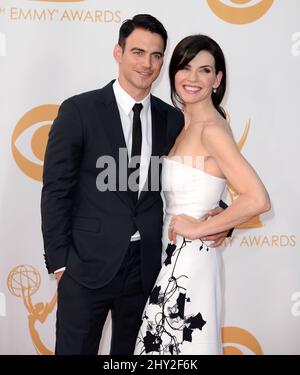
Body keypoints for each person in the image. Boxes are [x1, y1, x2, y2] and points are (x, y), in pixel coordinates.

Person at [41, 16, 229, 355]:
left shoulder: (173, 118)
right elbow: (56, 190)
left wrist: (222, 220)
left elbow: (201, 175)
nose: (147, 64)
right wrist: (60, 264)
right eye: (138, 52)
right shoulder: (79, 111)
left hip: (146, 270)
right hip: (85, 269)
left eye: (156, 56)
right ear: (118, 52)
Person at [134, 34, 271, 355]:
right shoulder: (180, 124)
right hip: (171, 257)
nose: (193, 78)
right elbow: (209, 185)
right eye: (185, 68)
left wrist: (198, 228)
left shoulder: (212, 129)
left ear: (218, 79)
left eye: (205, 70)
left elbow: (257, 198)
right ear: (173, 72)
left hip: (191, 261)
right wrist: (222, 216)